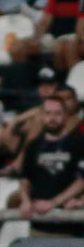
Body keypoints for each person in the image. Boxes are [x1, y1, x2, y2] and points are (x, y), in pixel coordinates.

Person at [18, 95, 84, 238]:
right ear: (41, 116)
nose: (52, 118)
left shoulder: (79, 144)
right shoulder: (33, 146)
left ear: (66, 116)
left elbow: (81, 181)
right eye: (48, 113)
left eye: (57, 113)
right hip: (39, 227)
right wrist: (25, 200)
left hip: (70, 226)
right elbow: (25, 178)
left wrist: (53, 203)